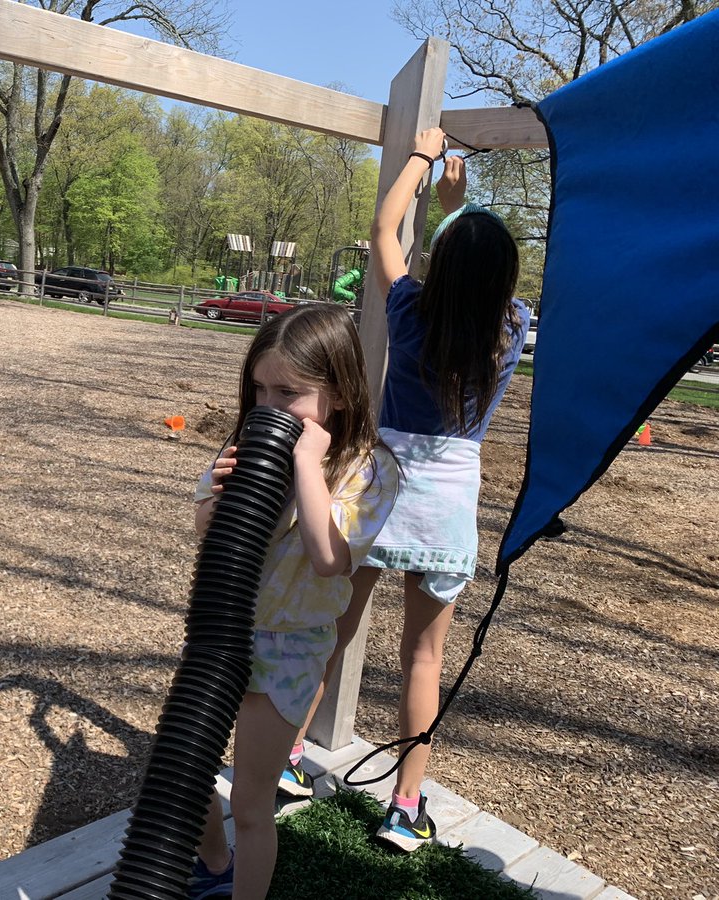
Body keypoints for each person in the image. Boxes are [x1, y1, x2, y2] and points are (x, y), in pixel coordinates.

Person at [289, 130, 529, 853]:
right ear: (506, 281)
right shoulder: (512, 327)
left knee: (333, 630)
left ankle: (291, 762)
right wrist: (463, 216)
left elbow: (382, 230)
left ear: (441, 266)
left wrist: (424, 164)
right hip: (447, 509)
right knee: (423, 660)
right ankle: (405, 806)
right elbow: (480, 280)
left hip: (379, 494)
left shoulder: (409, 310)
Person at [186, 304, 400, 900]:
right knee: (184, 767)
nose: (269, 407)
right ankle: (212, 862)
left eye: (290, 392)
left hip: (291, 647)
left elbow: (331, 555)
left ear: (338, 392)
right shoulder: (245, 443)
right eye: (259, 389)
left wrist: (307, 464)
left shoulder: (369, 469)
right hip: (223, 629)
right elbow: (204, 520)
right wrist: (221, 493)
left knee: (252, 800)